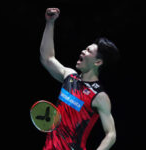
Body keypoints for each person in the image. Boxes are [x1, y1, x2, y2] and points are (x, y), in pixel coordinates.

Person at [40, 8, 119, 150]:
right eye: (85, 48)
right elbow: (47, 58)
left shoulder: (99, 96)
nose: (83, 51)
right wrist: (50, 23)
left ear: (97, 62)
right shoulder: (69, 77)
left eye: (89, 51)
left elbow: (111, 134)